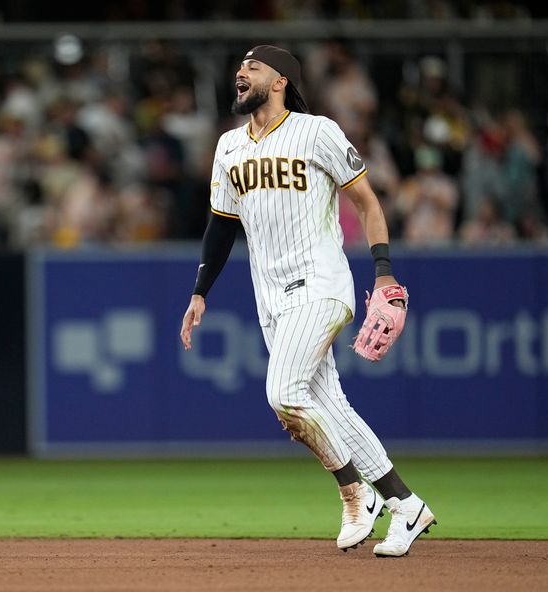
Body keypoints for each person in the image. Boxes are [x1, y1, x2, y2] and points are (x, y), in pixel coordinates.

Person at [179, 46, 435, 557]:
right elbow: (221, 227)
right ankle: (406, 505)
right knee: (330, 407)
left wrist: (383, 274)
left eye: (253, 67)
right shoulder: (229, 146)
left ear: (279, 82)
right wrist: (200, 292)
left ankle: (353, 492)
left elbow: (366, 201)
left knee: (284, 393)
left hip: (321, 285)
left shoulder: (317, 131)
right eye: (240, 66)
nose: (241, 72)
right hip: (270, 299)